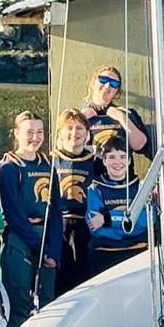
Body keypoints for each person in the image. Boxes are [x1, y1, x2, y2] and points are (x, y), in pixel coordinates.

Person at [0, 111, 62, 327]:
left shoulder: (48, 164)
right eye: (29, 132)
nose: (35, 137)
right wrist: (40, 248)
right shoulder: (8, 168)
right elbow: (14, 215)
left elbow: (56, 211)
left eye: (40, 132)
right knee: (20, 307)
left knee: (48, 304)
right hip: (21, 240)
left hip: (47, 239)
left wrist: (54, 251)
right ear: (16, 133)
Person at [85, 136, 149, 276]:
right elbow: (95, 227)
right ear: (104, 161)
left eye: (122, 157)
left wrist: (107, 219)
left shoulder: (140, 186)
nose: (117, 162)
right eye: (112, 157)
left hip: (136, 253)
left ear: (129, 160)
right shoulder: (95, 188)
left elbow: (144, 221)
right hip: (105, 255)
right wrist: (127, 227)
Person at [50, 109, 95, 295]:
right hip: (58, 225)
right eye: (69, 128)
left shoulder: (95, 162)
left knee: (84, 277)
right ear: (60, 132)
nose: (74, 133)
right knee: (60, 279)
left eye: (79, 128)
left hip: (86, 226)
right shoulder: (51, 160)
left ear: (87, 133)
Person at [81, 66, 151, 171]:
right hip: (91, 177)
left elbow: (141, 146)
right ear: (93, 82)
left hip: (122, 178)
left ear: (117, 91)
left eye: (114, 84)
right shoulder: (77, 115)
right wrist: (80, 120)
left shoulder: (126, 113)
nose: (107, 85)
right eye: (103, 79)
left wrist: (121, 117)